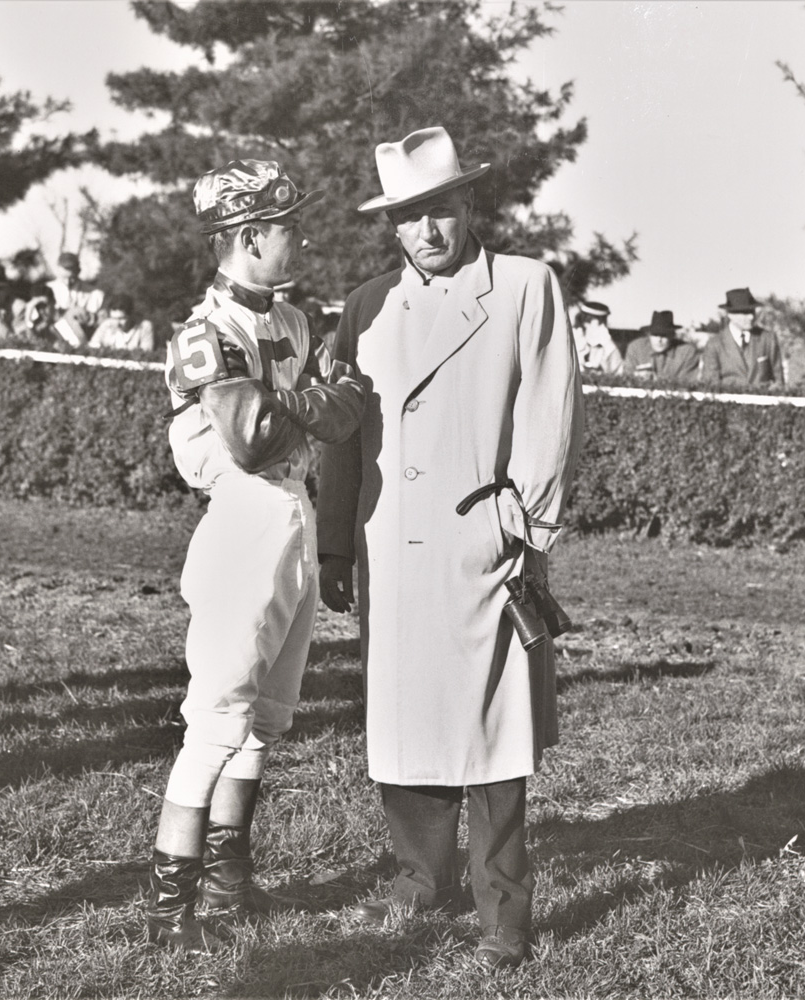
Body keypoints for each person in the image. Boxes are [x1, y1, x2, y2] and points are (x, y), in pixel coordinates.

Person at [316, 126, 583, 970]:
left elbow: (552, 410)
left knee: (493, 732)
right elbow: (342, 441)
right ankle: (419, 885)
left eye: (438, 210)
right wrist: (333, 547)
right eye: (407, 217)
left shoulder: (523, 288)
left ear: (467, 204)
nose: (426, 231)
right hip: (389, 546)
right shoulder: (364, 307)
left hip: (485, 544)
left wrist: (523, 521)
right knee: (403, 726)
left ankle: (503, 907)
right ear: (390, 226)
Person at [146, 159, 364, 952]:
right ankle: (172, 911)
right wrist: (317, 404)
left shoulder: (296, 322)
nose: (299, 236)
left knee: (266, 718)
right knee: (215, 721)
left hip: (293, 515)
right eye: (286, 226)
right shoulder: (204, 333)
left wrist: (301, 406)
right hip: (242, 523)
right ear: (246, 237)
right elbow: (250, 439)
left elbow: (336, 418)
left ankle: (231, 883)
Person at [697, 287, 784, 386]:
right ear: (730, 315)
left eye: (752, 312)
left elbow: (779, 380)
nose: (751, 317)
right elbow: (711, 383)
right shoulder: (714, 344)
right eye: (745, 313)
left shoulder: (768, 339)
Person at [622, 310, 699, 381]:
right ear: (648, 335)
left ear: (672, 335)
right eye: (655, 335)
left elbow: (687, 384)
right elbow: (627, 378)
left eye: (664, 335)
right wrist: (637, 376)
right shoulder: (636, 348)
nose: (659, 340)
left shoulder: (687, 352)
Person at [47, 251, 104, 335]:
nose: (67, 282)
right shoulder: (48, 289)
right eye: (64, 278)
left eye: (71, 278)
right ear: (58, 270)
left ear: (78, 271)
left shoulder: (95, 293)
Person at [88, 293, 155, 353]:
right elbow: (92, 346)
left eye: (121, 319)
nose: (117, 323)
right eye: (113, 318)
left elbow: (146, 352)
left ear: (131, 315)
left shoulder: (144, 327)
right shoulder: (107, 324)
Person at [572, 299, 622, 373]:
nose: (602, 328)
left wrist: (607, 346)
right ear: (584, 323)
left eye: (603, 324)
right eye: (599, 324)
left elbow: (617, 371)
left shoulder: (608, 346)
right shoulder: (572, 340)